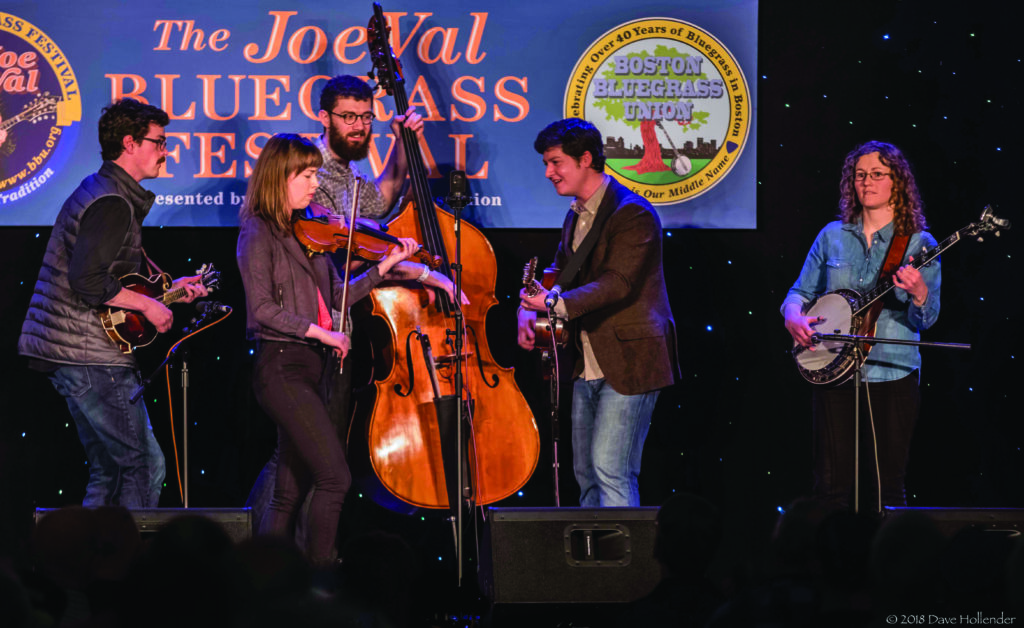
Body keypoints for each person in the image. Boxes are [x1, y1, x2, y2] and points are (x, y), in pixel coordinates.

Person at [236, 133, 420, 563]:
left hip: (311, 368)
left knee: (288, 490)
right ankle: (319, 583)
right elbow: (261, 309)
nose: (315, 184)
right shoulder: (257, 231)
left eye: (316, 174)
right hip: (281, 366)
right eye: (306, 175)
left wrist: (384, 266)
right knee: (335, 477)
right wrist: (324, 334)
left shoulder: (308, 233)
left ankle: (262, 580)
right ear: (280, 177)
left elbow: (339, 296)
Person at [18, 98, 208, 508]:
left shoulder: (106, 191)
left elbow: (111, 279)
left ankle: (87, 550)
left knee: (110, 470)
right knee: (143, 466)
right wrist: (150, 307)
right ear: (129, 143)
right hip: (89, 354)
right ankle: (125, 551)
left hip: (72, 350)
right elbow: (87, 281)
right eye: (159, 142)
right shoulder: (112, 202)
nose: (165, 151)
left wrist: (171, 290)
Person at [518, 118, 679, 508]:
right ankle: (592, 550)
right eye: (546, 164)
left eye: (556, 162)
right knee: (587, 476)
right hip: (586, 362)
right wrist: (527, 308)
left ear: (586, 159)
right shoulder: (576, 215)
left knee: (611, 470)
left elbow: (618, 283)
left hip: (630, 360)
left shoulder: (632, 213)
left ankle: (625, 552)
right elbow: (560, 273)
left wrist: (553, 304)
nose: (548, 173)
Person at [781, 140, 941, 509]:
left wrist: (919, 293)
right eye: (860, 175)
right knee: (831, 486)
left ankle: (888, 548)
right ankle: (832, 548)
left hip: (893, 373)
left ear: (897, 182)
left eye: (877, 174)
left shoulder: (919, 243)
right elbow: (799, 292)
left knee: (887, 489)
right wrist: (792, 315)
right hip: (834, 370)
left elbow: (927, 319)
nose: (867, 182)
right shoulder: (832, 235)